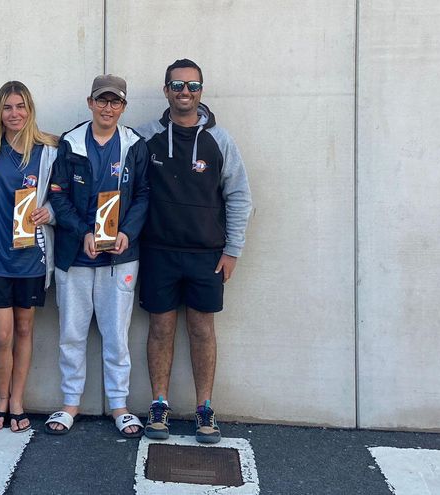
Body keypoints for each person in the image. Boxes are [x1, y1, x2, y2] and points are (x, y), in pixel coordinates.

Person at [136, 59, 252, 443]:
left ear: (201, 91)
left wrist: (232, 250)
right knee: (160, 329)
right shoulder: (146, 137)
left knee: (202, 330)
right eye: (177, 85)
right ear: (165, 89)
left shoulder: (220, 140)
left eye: (193, 86)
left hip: (206, 255)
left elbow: (238, 196)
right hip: (158, 252)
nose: (185, 92)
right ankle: (159, 405)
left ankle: (205, 409)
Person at [44, 75, 150, 438]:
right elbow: (57, 195)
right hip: (75, 254)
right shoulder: (70, 143)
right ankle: (70, 403)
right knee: (71, 334)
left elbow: (143, 195)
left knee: (116, 336)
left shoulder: (135, 144)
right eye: (102, 101)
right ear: (90, 102)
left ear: (123, 107)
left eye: (115, 102)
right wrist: (82, 232)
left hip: (120, 256)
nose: (108, 108)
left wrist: (127, 232)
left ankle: (119, 405)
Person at [0, 81, 58, 432]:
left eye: (20, 106)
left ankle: (18, 400)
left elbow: (62, 194)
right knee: (2, 335)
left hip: (31, 258)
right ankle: (2, 397)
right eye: (8, 107)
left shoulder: (48, 150)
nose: (14, 113)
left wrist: (48, 212)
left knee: (24, 328)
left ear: (30, 109)